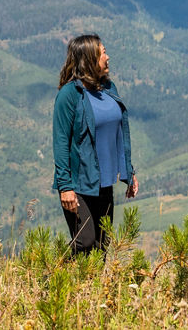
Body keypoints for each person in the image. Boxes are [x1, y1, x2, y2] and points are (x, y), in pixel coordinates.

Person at [52, 34, 139, 254]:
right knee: (85, 242)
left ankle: (90, 289)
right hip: (79, 183)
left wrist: (129, 170)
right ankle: (51, 284)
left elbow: (119, 132)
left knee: (101, 245)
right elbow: (61, 141)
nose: (108, 57)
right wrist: (65, 187)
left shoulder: (108, 88)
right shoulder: (69, 95)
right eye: (103, 53)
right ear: (89, 58)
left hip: (104, 182)